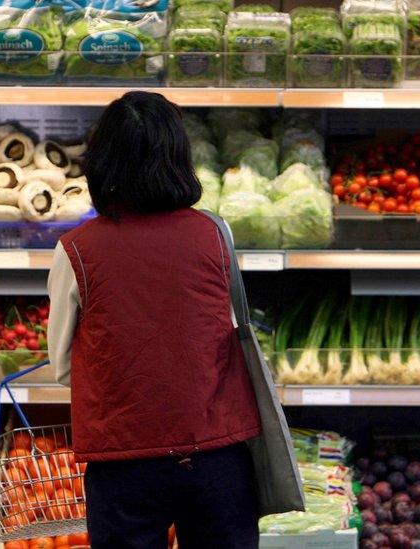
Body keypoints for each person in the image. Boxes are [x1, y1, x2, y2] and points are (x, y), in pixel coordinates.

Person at [47, 91, 262, 549]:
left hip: (125, 459)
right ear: (178, 158)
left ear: (101, 163)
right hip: (217, 455)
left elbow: (64, 365)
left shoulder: (76, 250)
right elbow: (224, 329)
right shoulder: (213, 233)